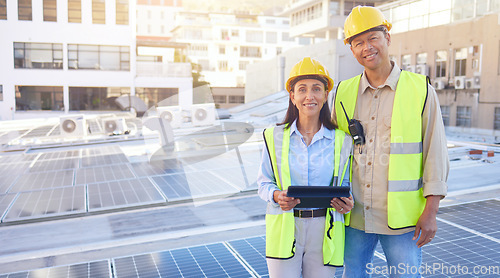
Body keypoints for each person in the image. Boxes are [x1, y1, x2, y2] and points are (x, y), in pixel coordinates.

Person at [332, 6, 450, 278]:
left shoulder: (420, 89)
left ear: (387, 38)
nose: (366, 47)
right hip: (354, 217)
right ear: (351, 49)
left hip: (402, 221)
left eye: (373, 37)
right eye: (358, 42)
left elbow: (436, 153)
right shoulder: (341, 93)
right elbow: (333, 153)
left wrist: (431, 211)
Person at [257, 57, 354, 278]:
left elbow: (346, 184)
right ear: (292, 96)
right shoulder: (273, 137)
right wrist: (276, 195)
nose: (309, 96)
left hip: (324, 231)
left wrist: (348, 203)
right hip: (285, 228)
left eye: (316, 89)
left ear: (325, 95)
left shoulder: (342, 140)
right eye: (302, 89)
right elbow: (263, 182)